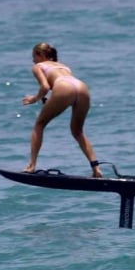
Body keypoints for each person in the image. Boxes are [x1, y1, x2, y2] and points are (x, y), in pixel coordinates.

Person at [21, 42, 101, 177]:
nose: (33, 60)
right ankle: (96, 169)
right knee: (78, 131)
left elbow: (45, 87)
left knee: (39, 125)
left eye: (33, 56)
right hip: (81, 87)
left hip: (63, 87)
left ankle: (31, 165)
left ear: (40, 55)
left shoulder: (38, 66)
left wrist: (34, 99)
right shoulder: (64, 66)